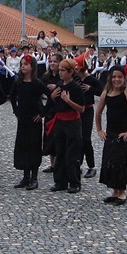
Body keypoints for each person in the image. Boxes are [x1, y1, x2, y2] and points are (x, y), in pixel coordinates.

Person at [95, 65, 127, 205]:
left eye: (119, 77)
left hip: (122, 132)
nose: (116, 79)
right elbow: (98, 112)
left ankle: (122, 192)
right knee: (109, 160)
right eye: (114, 77)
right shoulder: (107, 92)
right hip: (110, 132)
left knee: (119, 160)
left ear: (124, 78)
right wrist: (99, 129)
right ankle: (114, 190)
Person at [9, 54, 47, 190]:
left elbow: (51, 96)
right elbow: (12, 97)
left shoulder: (37, 83)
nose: (23, 66)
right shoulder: (17, 82)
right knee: (23, 145)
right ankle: (25, 176)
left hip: (34, 119)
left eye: (25, 64)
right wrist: (16, 111)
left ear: (32, 67)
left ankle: (34, 177)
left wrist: (42, 113)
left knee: (34, 146)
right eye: (22, 64)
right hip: (23, 118)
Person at [49, 59, 85, 194]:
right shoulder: (59, 85)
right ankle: (60, 181)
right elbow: (56, 104)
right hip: (60, 122)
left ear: (70, 72)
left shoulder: (76, 88)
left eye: (63, 70)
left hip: (72, 123)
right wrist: (52, 97)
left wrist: (68, 101)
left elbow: (81, 109)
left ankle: (74, 182)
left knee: (72, 153)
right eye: (59, 70)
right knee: (60, 152)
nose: (60, 72)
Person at [75, 55, 103, 179]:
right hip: (77, 110)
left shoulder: (91, 79)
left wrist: (90, 89)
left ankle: (92, 166)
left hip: (88, 110)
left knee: (86, 138)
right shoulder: (76, 79)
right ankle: (78, 164)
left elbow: (102, 92)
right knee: (78, 138)